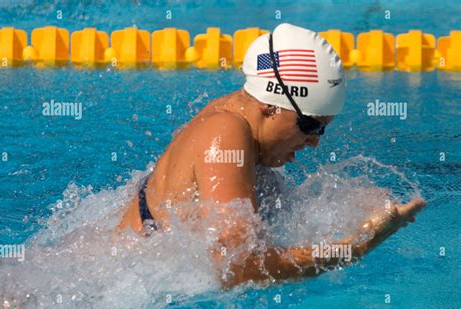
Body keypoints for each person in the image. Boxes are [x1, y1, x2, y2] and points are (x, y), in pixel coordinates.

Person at [116, 23, 425, 287]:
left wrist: (366, 205)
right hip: (118, 284)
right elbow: (234, 269)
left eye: (322, 130)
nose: (314, 142)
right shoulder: (226, 133)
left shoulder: (237, 117)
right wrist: (352, 248)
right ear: (269, 103)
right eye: (308, 125)